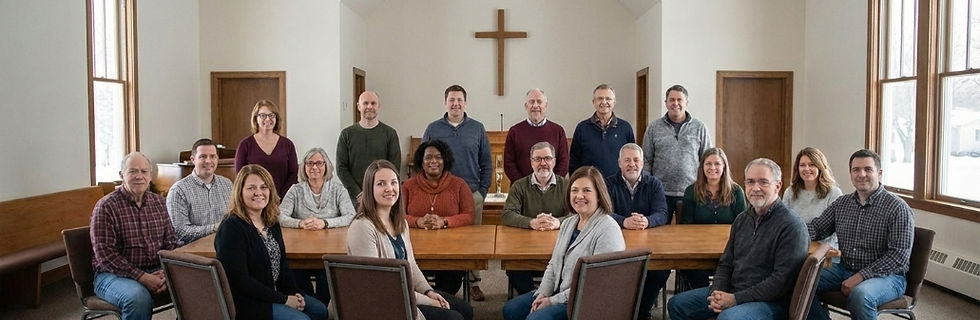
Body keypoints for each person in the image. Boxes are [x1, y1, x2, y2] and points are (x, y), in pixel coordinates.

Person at [667, 158, 808, 320]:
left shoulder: (792, 226)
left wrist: (735, 299)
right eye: (750, 182)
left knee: (729, 318)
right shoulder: (742, 219)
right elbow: (726, 262)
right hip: (734, 290)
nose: (755, 188)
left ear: (778, 186)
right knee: (678, 304)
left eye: (763, 182)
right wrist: (716, 293)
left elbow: (781, 282)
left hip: (772, 301)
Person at [347, 160, 473, 320]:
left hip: (405, 292)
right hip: (384, 302)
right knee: (454, 318)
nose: (389, 189)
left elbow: (411, 265)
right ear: (369, 189)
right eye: (380, 184)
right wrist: (427, 301)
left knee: (466, 310)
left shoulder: (400, 222)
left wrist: (429, 292)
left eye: (393, 182)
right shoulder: (362, 227)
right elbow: (379, 286)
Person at [502, 166, 626, 320]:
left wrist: (552, 301)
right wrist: (542, 293)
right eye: (574, 190)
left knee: (535, 319)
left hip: (587, 301)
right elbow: (554, 264)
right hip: (559, 291)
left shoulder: (608, 229)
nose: (579, 196)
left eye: (586, 190)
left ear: (599, 195)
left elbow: (595, 284)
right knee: (511, 310)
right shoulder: (568, 223)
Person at [807, 149, 914, 320]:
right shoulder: (842, 204)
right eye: (856, 169)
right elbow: (816, 228)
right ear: (850, 174)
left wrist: (861, 276)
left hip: (888, 277)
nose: (861, 174)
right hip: (845, 267)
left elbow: (898, 256)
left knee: (860, 295)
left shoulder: (897, 208)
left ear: (879, 173)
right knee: (799, 279)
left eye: (868, 169)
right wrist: (786, 231)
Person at [215, 165, 327, 320]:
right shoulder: (231, 227)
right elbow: (239, 281)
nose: (258, 192)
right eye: (251, 188)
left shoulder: (271, 221)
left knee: (320, 311)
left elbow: (282, 265)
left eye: (264, 187)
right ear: (239, 192)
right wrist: (284, 300)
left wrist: (295, 293)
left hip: (276, 292)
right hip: (248, 302)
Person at [91, 152, 180, 320]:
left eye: (144, 171)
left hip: (156, 269)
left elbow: (171, 243)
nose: (139, 176)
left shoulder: (159, 203)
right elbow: (105, 255)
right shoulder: (106, 207)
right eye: (133, 171)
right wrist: (142, 277)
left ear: (150, 176)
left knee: (197, 283)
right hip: (112, 275)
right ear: (121, 175)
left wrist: (166, 271)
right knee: (138, 298)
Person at [422, 84, 491, 300]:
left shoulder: (477, 128)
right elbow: (422, 161)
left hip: (472, 193)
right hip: (441, 195)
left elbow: (486, 162)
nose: (456, 103)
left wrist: (482, 191)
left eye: (460, 100)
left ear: (465, 103)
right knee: (445, 239)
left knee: (473, 241)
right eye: (452, 100)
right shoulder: (433, 129)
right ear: (445, 103)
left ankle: (474, 283)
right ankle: (440, 283)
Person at [279, 148, 356, 308]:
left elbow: (351, 215)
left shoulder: (338, 190)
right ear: (304, 167)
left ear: (326, 166)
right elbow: (280, 216)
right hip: (301, 250)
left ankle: (322, 309)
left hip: (330, 249)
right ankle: (310, 308)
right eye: (310, 163)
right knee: (296, 274)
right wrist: (299, 223)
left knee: (326, 277)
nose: (314, 167)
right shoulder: (295, 190)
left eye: (319, 163)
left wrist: (325, 223)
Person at [604, 143, 671, 319]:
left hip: (648, 243)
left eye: (636, 160)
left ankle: (641, 312)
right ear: (619, 163)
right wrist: (624, 221)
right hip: (617, 242)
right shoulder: (608, 183)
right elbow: (603, 212)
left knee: (660, 270)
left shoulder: (654, 183)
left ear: (643, 163)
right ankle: (619, 310)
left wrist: (647, 221)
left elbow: (663, 213)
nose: (631, 164)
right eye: (627, 160)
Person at [403, 140, 474, 295]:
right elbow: (398, 216)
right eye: (428, 157)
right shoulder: (408, 185)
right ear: (421, 162)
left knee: (452, 277)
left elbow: (469, 215)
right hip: (416, 248)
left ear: (445, 160)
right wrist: (418, 221)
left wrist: (445, 221)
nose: (433, 161)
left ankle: (437, 302)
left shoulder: (459, 184)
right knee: (409, 274)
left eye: (438, 157)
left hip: (451, 248)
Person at [500, 141, 569, 295]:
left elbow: (578, 215)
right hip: (525, 248)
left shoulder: (567, 186)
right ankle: (533, 298)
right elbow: (507, 214)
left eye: (547, 158)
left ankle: (549, 297)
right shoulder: (519, 186)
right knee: (513, 266)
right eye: (537, 159)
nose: (543, 163)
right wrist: (532, 222)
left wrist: (558, 222)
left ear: (554, 161)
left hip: (558, 247)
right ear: (531, 162)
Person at [679, 147, 746, 289]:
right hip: (698, 249)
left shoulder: (736, 191)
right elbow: (686, 226)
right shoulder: (691, 191)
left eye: (717, 164)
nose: (712, 168)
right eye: (708, 164)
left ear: (724, 167)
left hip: (729, 248)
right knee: (691, 269)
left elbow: (742, 224)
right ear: (702, 167)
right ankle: (703, 299)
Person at [642, 85, 713, 214]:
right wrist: (647, 188)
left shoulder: (700, 127)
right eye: (671, 100)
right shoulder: (653, 127)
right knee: (659, 231)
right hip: (660, 192)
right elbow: (646, 160)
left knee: (690, 232)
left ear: (686, 103)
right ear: (666, 103)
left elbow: (707, 159)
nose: (676, 103)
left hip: (692, 192)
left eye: (679, 100)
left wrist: (707, 186)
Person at [336, 90, 401, 203]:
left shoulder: (390, 134)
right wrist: (358, 193)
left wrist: (379, 191)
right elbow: (341, 168)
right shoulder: (346, 134)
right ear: (358, 106)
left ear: (379, 106)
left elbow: (394, 167)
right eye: (365, 103)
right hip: (355, 199)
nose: (369, 107)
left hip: (382, 197)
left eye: (373, 103)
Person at [167, 138, 232, 244]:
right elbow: (180, 232)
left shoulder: (228, 185)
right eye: (203, 156)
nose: (208, 161)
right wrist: (214, 228)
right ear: (193, 160)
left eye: (212, 156)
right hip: (195, 255)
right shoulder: (178, 190)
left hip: (226, 246)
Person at [235, 99, 298, 199]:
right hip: (255, 199)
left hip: (283, 200)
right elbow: (241, 176)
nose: (268, 119)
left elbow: (293, 174)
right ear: (256, 118)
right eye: (263, 115)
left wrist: (280, 197)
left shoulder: (287, 144)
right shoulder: (245, 145)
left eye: (272, 115)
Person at [503, 88, 569, 182]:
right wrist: (524, 186)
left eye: (539, 102)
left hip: (552, 191)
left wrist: (550, 184)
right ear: (526, 106)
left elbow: (563, 162)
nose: (535, 105)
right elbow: (509, 163)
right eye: (531, 102)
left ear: (546, 105)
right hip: (522, 191)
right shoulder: (514, 131)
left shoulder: (558, 131)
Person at [569, 84, 635, 177]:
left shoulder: (625, 128)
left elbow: (632, 158)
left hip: (618, 186)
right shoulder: (582, 128)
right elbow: (574, 161)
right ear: (593, 102)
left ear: (614, 102)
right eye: (600, 98)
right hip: (590, 184)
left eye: (608, 99)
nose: (604, 102)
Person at [782, 147, 843, 249]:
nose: (806, 169)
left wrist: (825, 249)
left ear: (820, 167)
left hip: (825, 252)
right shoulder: (790, 192)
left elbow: (839, 230)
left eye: (812, 165)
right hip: (795, 246)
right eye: (802, 165)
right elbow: (784, 222)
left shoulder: (834, 193)